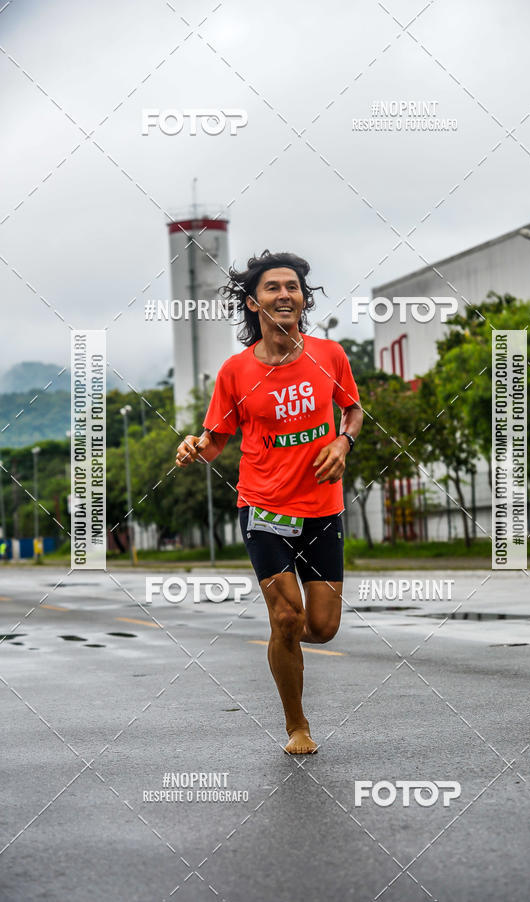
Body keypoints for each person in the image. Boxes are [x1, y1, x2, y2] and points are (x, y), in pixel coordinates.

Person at [175, 250, 363, 754]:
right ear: (254, 302)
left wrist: (343, 444)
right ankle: (296, 725)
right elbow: (215, 439)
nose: (285, 294)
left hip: (322, 509)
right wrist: (195, 446)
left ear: (303, 299)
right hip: (264, 507)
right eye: (273, 288)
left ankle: (285, 645)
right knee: (285, 619)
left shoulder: (330, 356)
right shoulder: (236, 372)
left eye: (293, 287)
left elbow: (353, 411)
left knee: (321, 627)